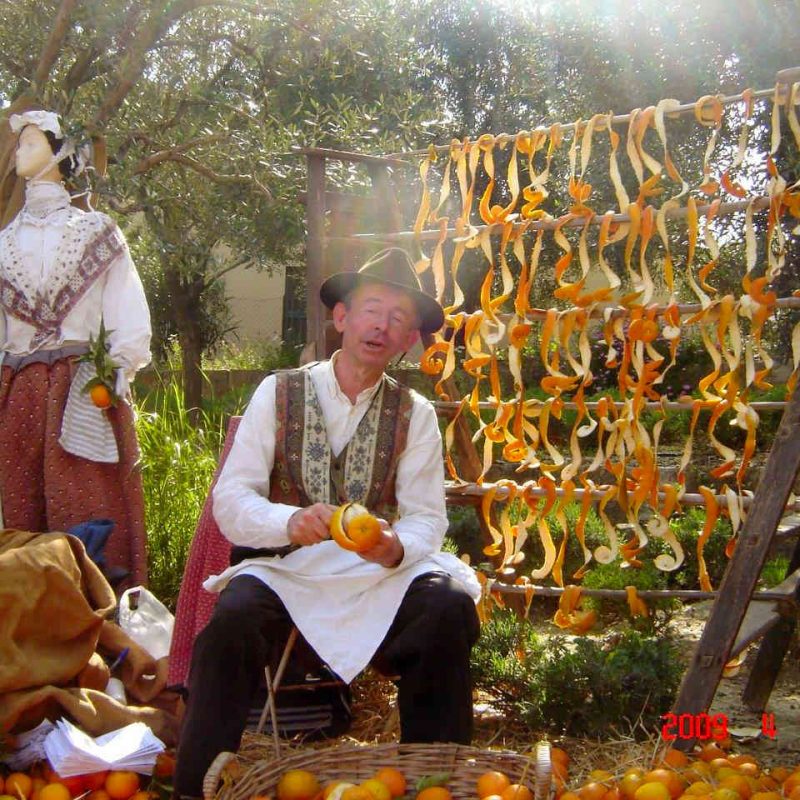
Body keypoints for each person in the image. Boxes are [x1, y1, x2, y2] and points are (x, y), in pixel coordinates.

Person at [174, 248, 481, 798]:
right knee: (233, 621)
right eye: (372, 309)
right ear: (341, 318)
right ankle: (196, 786)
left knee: (447, 605)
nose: (382, 326)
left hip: (377, 577)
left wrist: (393, 548)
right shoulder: (279, 390)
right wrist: (290, 521)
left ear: (410, 340)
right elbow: (232, 499)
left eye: (399, 319)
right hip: (285, 569)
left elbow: (427, 518)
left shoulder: (416, 414)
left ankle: (435, 782)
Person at [0, 110, 152, 586]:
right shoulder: (3, 243)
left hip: (83, 388)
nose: (19, 151)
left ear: (59, 152)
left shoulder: (97, 232)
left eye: (30, 141)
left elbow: (125, 307)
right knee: (20, 513)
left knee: (89, 506)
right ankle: (31, 633)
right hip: (18, 391)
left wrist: (118, 370)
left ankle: (102, 628)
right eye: (18, 143)